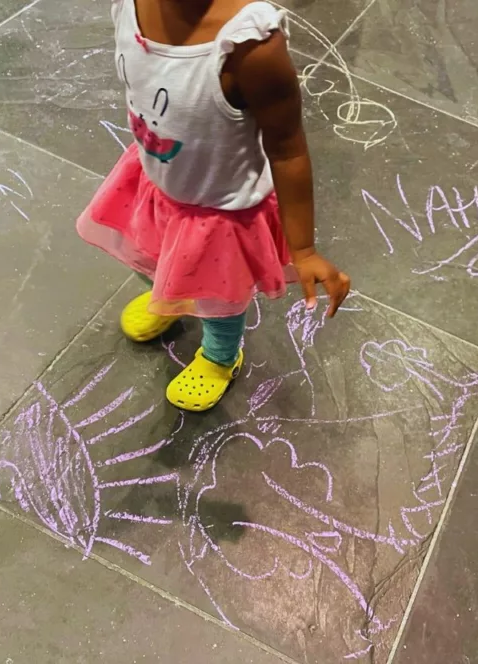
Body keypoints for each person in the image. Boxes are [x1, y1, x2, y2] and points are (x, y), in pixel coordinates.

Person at [77, 0, 350, 412]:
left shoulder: (249, 46)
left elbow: (288, 149)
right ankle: (168, 298)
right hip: (159, 180)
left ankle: (221, 355)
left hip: (220, 210)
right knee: (154, 253)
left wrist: (304, 249)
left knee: (219, 296)